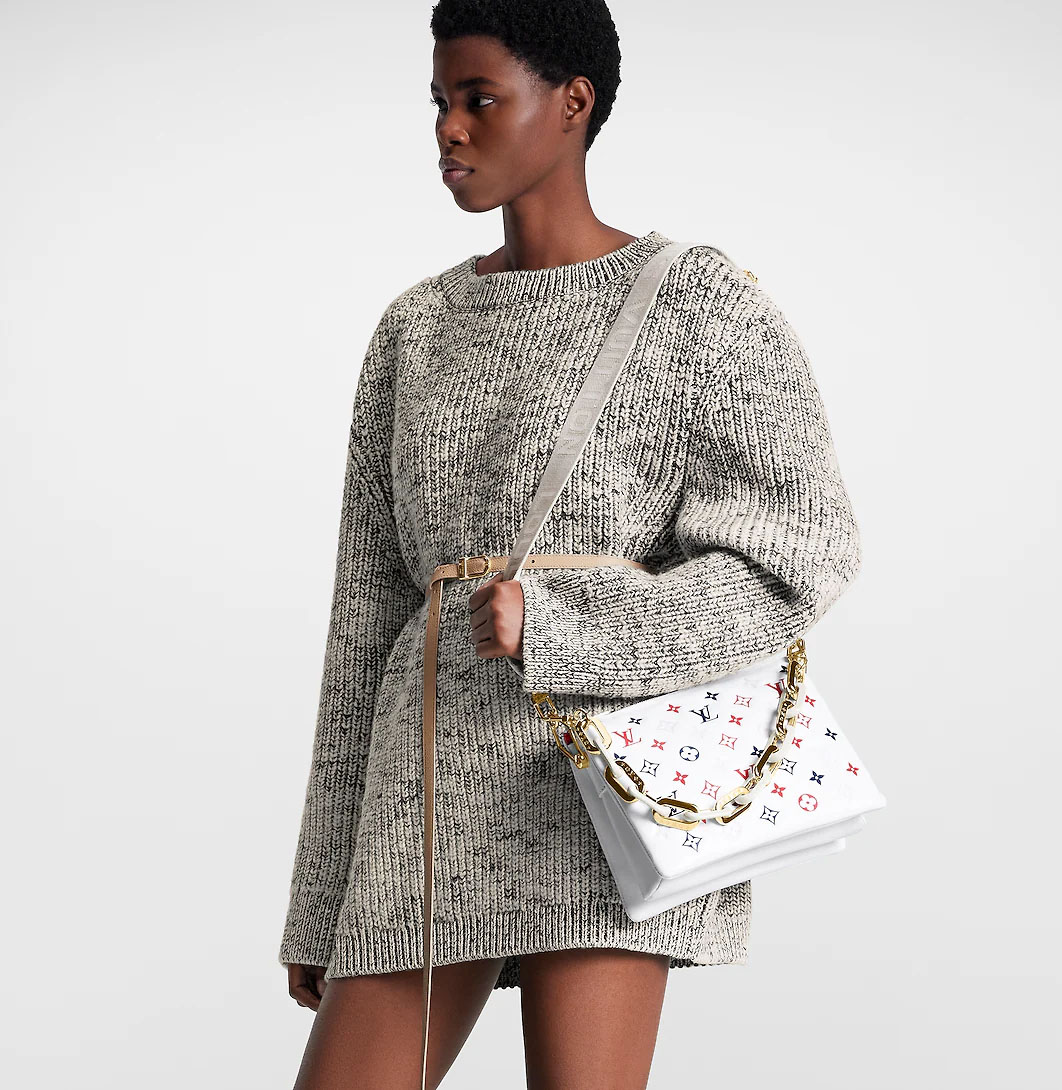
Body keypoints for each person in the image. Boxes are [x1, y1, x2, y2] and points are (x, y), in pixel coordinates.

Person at [280, 2, 862, 1087]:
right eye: (439, 101)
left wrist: (563, 623)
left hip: (606, 781)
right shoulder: (414, 327)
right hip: (424, 790)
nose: (449, 128)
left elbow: (799, 556)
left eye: (479, 98)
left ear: (573, 103)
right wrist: (323, 897)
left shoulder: (698, 305)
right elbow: (363, 618)